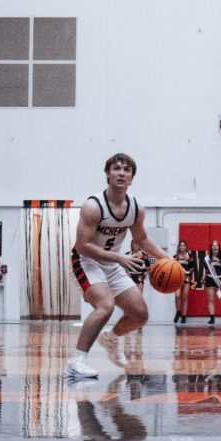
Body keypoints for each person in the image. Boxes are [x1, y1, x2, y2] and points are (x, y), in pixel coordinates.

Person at [64, 153, 171, 379]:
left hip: (111, 262)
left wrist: (167, 260)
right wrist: (120, 258)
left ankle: (111, 339)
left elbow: (142, 239)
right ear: (107, 174)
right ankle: (77, 361)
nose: (121, 172)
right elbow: (82, 246)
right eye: (116, 168)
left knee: (140, 314)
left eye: (126, 170)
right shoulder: (93, 206)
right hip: (86, 260)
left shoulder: (135, 208)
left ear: (131, 178)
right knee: (105, 305)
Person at [172, 240, 194, 324]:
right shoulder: (175, 257)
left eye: (184, 245)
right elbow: (172, 268)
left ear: (186, 247)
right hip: (177, 278)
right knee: (177, 295)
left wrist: (187, 272)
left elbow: (192, 267)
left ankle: (184, 316)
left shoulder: (190, 256)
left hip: (187, 278)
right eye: (180, 245)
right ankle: (178, 312)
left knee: (185, 297)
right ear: (178, 247)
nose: (182, 247)